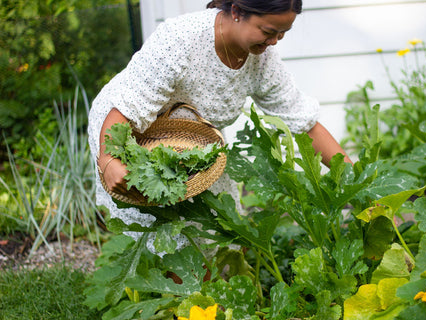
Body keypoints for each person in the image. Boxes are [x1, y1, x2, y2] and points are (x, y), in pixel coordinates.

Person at [87, 0, 353, 256]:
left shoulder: (262, 60)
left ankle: (207, 292)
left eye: (282, 34)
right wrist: (109, 158)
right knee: (169, 234)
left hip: (192, 141)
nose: (273, 42)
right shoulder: (181, 39)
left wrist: (352, 176)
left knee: (223, 223)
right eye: (268, 31)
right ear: (236, 11)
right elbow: (127, 107)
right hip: (126, 130)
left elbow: (304, 122)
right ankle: (172, 294)